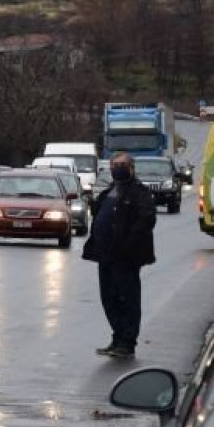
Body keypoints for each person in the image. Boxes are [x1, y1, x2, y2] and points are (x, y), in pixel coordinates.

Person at [82, 151, 157, 358]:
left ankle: (128, 341)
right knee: (109, 298)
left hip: (126, 257)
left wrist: (128, 243)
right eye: (114, 165)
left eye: (122, 165)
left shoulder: (139, 192)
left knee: (128, 299)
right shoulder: (109, 192)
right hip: (104, 255)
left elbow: (147, 219)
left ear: (131, 168)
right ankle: (117, 337)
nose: (118, 169)